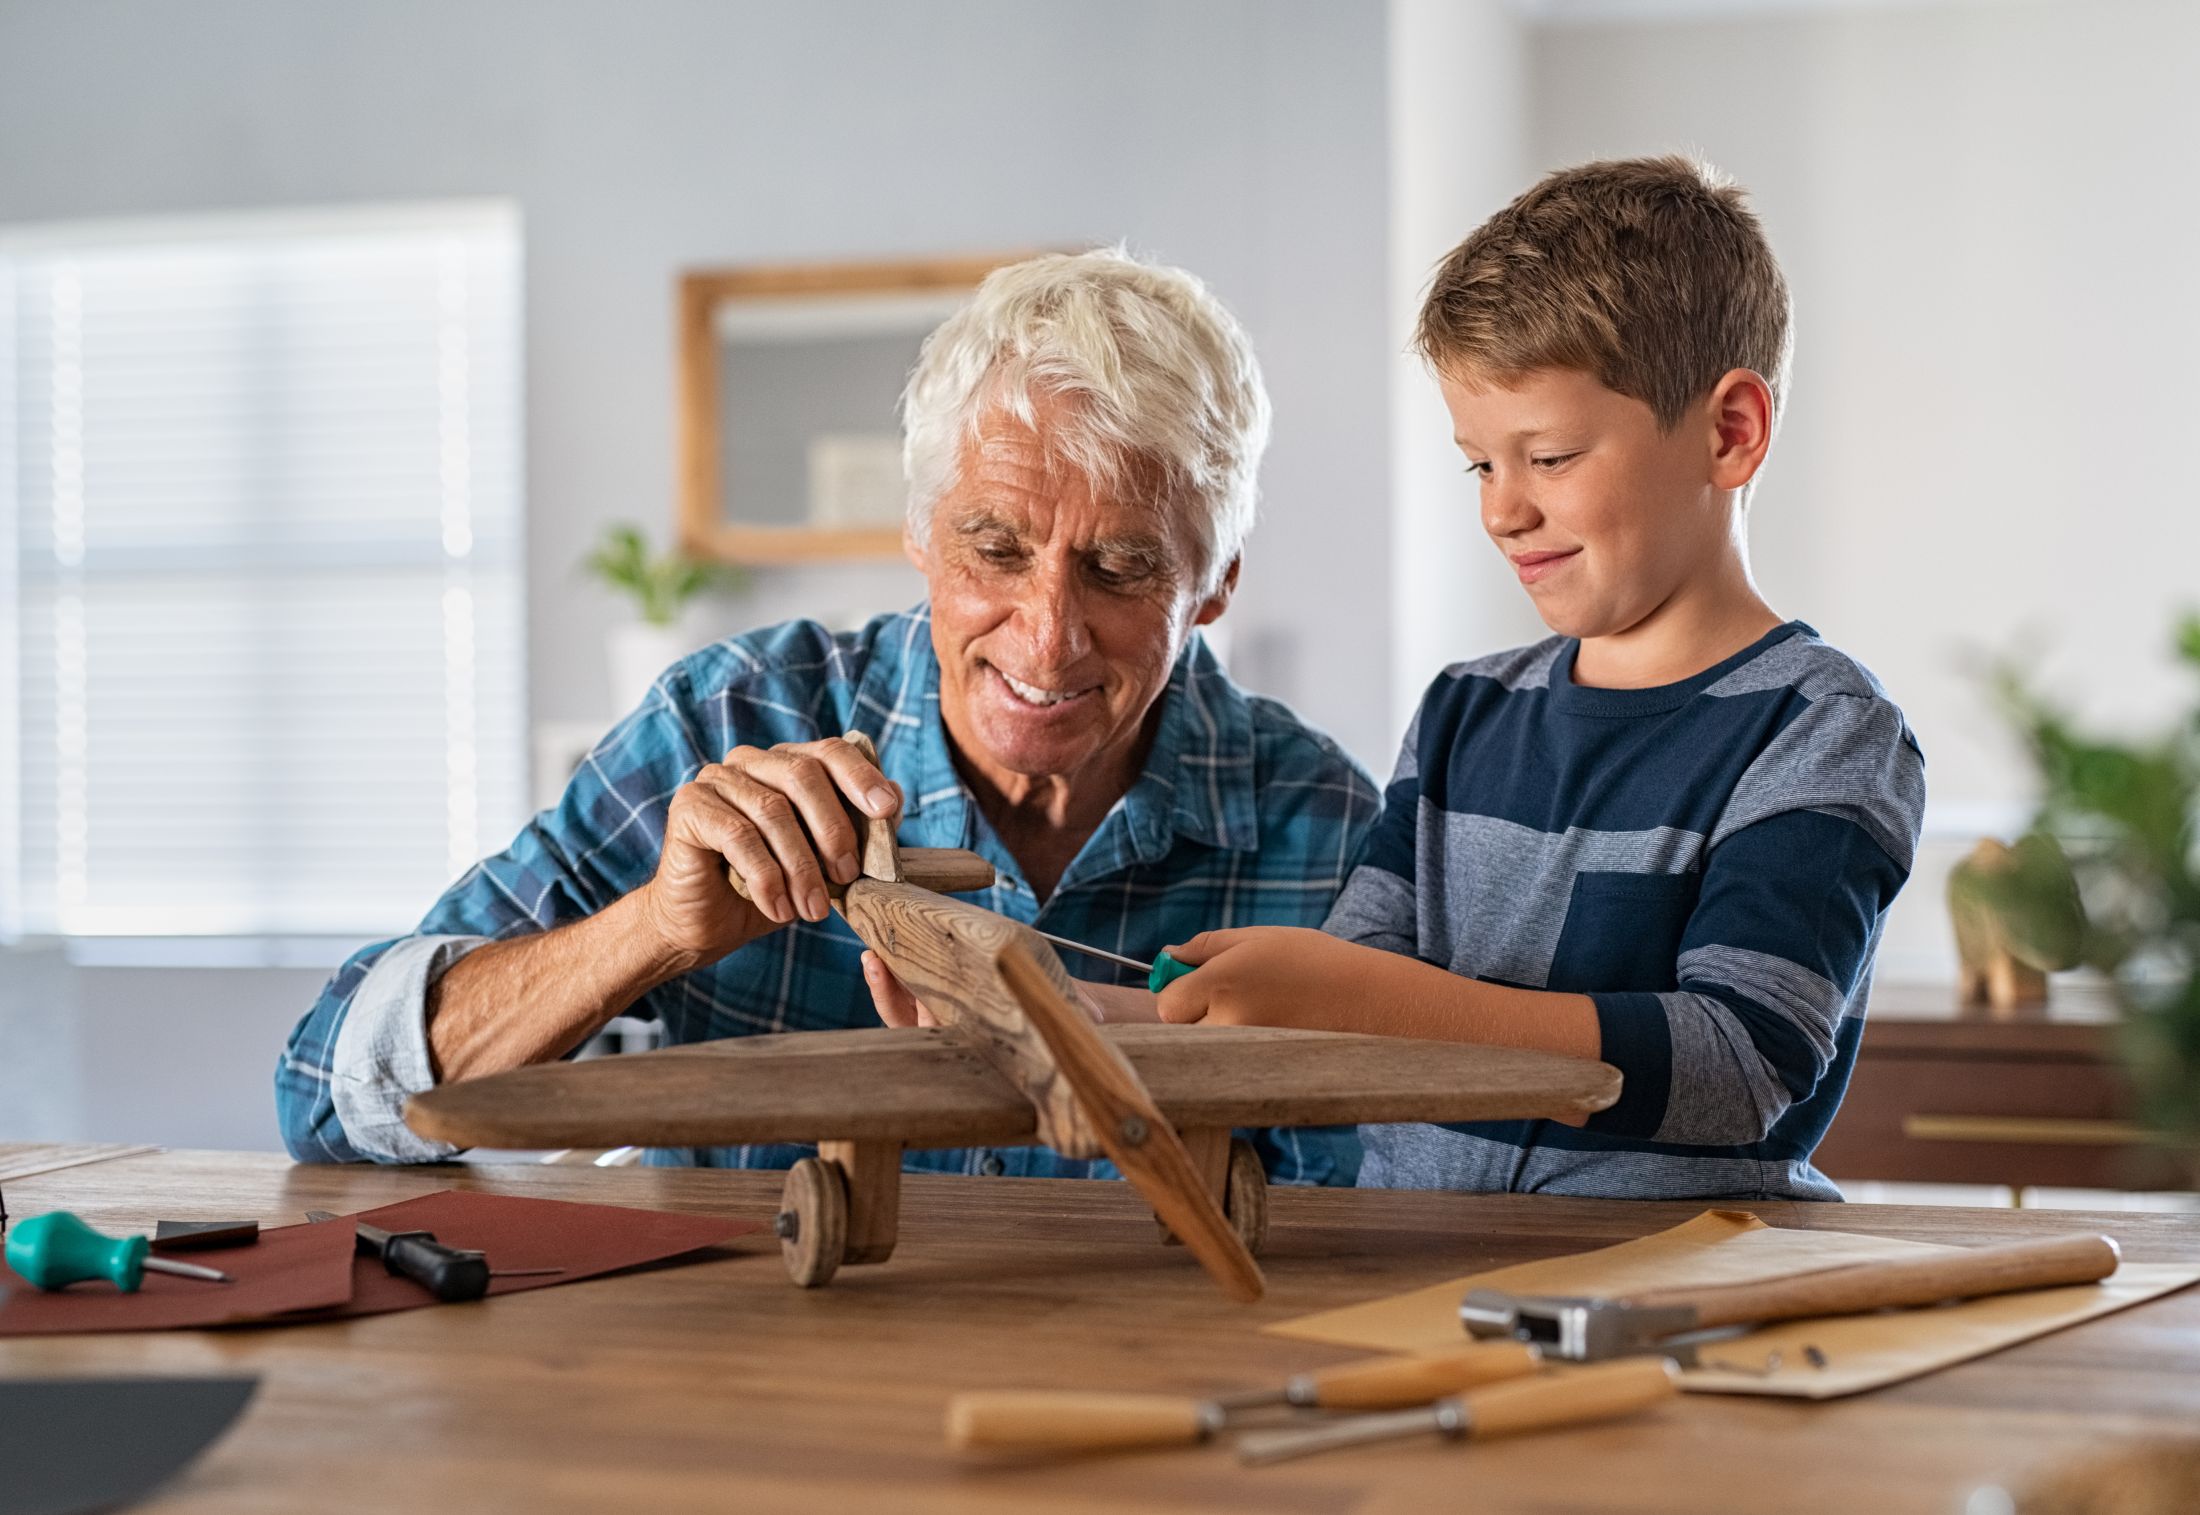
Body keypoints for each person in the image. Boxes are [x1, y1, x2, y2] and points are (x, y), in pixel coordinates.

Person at [276, 248, 1378, 1182]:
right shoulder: (728, 720)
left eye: (1122, 568)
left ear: (1217, 582)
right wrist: (650, 932)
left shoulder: (1324, 827)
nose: (1047, 637)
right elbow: (326, 1094)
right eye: (993, 550)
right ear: (916, 530)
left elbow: (1418, 1203)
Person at [1149, 157, 1926, 1202]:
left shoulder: (1821, 733)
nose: (1501, 511)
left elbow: (1737, 1066)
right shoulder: (1466, 710)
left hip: (1673, 1294)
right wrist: (1062, 1011)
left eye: (1549, 457)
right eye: (1480, 464)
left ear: (1730, 432)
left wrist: (1365, 999)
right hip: (1410, 1281)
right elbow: (1333, 1010)